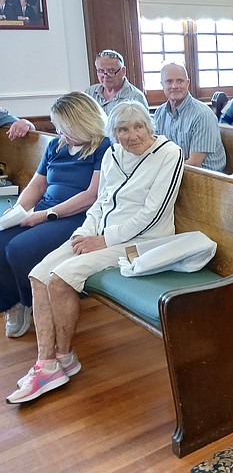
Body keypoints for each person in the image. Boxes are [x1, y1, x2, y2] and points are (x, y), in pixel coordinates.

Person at [6, 101, 184, 404]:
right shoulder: (114, 154)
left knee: (60, 278)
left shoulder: (169, 154)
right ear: (112, 134)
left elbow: (153, 214)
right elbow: (100, 203)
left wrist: (105, 240)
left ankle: (59, 358)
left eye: (138, 127)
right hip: (100, 234)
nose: (132, 136)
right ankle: (50, 362)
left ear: (149, 127)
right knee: (38, 275)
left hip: (142, 240)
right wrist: (83, 233)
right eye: (122, 130)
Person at [0, 93, 110, 339]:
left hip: (77, 216)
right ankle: (13, 302)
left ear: (81, 122)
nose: (59, 132)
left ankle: (33, 303)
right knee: (1, 240)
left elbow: (91, 195)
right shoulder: (56, 146)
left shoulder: (103, 146)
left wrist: (45, 215)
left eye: (64, 127)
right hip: (46, 208)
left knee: (19, 249)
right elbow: (36, 186)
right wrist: (18, 210)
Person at [152, 62, 226, 172]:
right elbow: (156, 152)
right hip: (175, 173)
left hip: (207, 179)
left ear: (188, 83)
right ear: (162, 84)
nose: (175, 86)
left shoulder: (202, 115)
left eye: (180, 81)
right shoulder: (159, 113)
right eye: (169, 81)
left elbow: (194, 164)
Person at [85, 49, 148, 116]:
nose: (105, 76)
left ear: (123, 71)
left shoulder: (135, 98)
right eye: (101, 71)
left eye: (111, 71)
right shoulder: (90, 93)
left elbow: (142, 125)